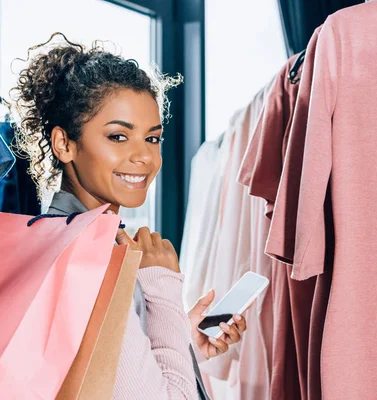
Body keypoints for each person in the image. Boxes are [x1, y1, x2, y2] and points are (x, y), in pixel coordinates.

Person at [13, 33, 248, 399]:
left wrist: (182, 341)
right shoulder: (88, 261)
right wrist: (163, 288)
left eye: (152, 139)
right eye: (119, 137)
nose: (144, 157)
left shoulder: (56, 237)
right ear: (65, 144)